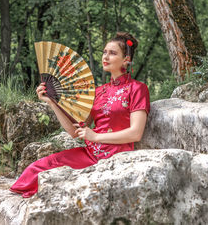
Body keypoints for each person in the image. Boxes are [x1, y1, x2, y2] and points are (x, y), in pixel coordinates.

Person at [10, 32, 150, 198]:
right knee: (40, 168)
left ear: (126, 59)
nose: (106, 57)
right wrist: (52, 103)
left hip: (116, 157)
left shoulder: (138, 89)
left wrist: (95, 136)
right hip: (90, 154)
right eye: (104, 52)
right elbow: (75, 132)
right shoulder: (99, 92)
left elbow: (136, 133)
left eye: (112, 53)